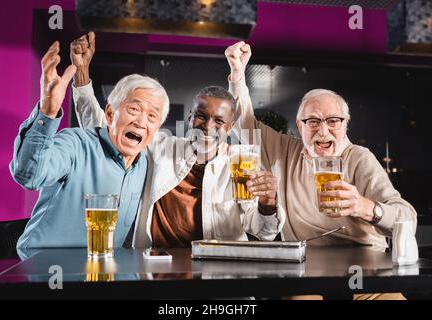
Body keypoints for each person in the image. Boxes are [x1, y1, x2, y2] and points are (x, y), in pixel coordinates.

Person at [70, 33, 285, 248]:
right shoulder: (161, 148)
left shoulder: (241, 166)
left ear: (229, 127)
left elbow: (264, 232)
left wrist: (268, 203)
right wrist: (81, 73)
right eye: (201, 116)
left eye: (219, 121)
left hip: (219, 272)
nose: (208, 127)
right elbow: (109, 129)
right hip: (155, 268)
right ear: (190, 117)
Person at [225, 41, 417, 252]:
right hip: (303, 268)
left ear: (346, 123)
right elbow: (244, 123)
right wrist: (237, 73)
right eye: (313, 122)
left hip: (361, 266)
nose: (323, 131)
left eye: (333, 121)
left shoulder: (359, 158)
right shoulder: (285, 150)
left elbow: (408, 220)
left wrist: (364, 207)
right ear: (300, 125)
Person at [10, 41, 168, 249]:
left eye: (152, 116)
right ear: (110, 114)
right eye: (134, 109)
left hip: (101, 269)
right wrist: (47, 112)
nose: (140, 122)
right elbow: (29, 176)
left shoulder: (145, 165)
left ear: (156, 128)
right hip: (44, 267)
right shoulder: (76, 144)